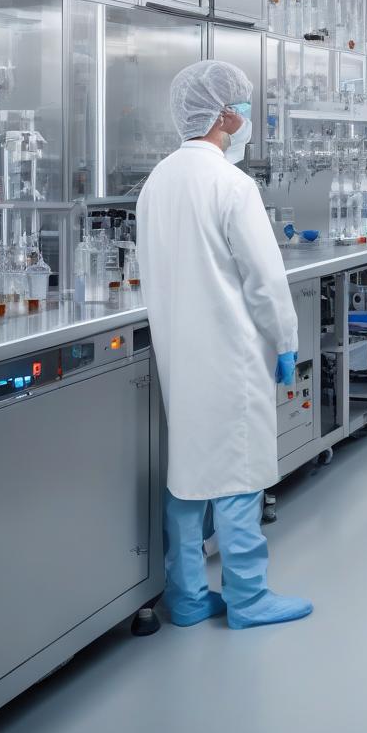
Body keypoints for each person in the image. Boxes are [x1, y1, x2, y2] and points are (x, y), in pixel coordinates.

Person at [137, 60, 312, 629]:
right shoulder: (232, 184)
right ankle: (248, 598)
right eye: (242, 106)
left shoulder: (157, 181)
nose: (246, 115)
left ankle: (187, 597)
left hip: (178, 355)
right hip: (231, 353)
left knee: (188, 474)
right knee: (237, 475)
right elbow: (264, 279)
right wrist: (285, 342)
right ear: (225, 116)